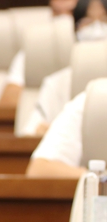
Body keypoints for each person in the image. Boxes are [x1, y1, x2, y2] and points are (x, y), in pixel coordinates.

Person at [21, 0, 107, 136]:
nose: (97, 29)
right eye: (88, 22)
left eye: (104, 20)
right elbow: (31, 132)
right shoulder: (56, 83)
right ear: (75, 29)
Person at [0, 0, 79, 108]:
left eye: (71, 11)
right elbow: (6, 104)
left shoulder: (94, 48)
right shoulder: (33, 50)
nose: (63, 19)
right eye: (56, 12)